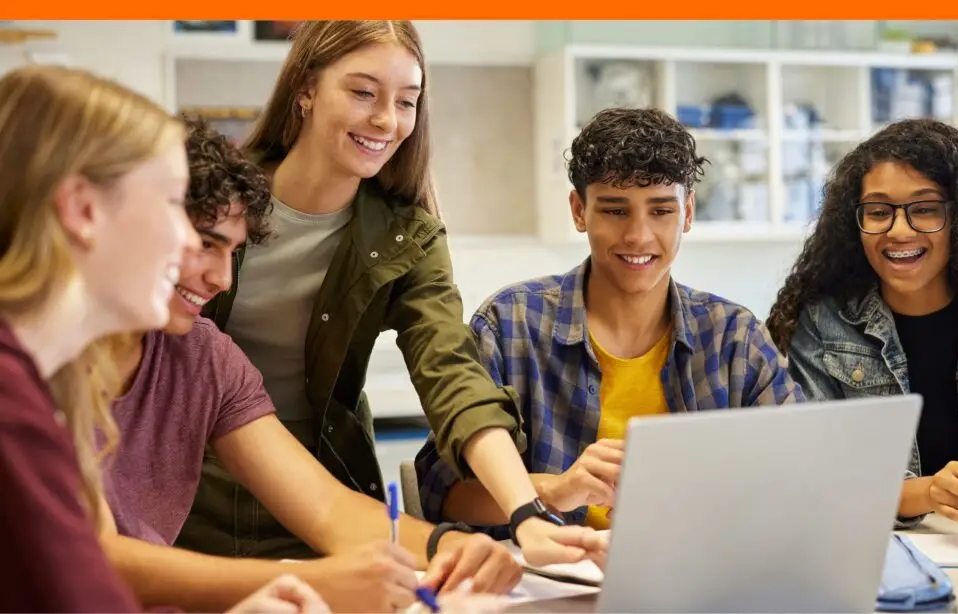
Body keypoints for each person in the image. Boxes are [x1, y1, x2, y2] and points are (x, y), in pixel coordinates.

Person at [175, 20, 604, 568]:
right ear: (305, 89)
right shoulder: (216, 200)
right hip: (185, 495)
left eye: (407, 101)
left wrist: (524, 511)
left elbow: (452, 372)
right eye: (362, 92)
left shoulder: (407, 236)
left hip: (326, 505)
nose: (386, 119)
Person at [100, 116, 520, 613]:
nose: (219, 279)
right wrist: (316, 581)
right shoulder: (38, 358)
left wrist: (446, 548)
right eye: (206, 244)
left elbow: (326, 507)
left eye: (232, 252)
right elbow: (91, 555)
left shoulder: (203, 356)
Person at [0, 64, 327, 614]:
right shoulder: (13, 403)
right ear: (83, 210)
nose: (184, 244)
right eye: (173, 204)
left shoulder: (42, 384)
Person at [414, 107, 804, 535]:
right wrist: (557, 490)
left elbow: (801, 472)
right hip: (554, 585)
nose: (638, 235)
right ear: (579, 210)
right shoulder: (510, 326)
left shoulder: (734, 337)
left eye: (661, 211)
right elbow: (442, 495)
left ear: (688, 213)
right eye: (616, 211)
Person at [764, 118, 958, 532]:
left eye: (924, 209)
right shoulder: (820, 324)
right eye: (879, 211)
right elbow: (816, 475)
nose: (899, 230)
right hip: (882, 556)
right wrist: (925, 492)